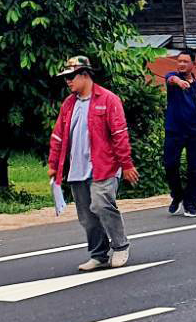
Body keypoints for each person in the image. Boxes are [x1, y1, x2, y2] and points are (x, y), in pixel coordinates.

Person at [47, 55, 139, 271]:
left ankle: (120, 246)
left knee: (101, 204)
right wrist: (53, 163)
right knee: (87, 216)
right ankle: (99, 255)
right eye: (66, 77)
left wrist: (126, 164)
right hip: (77, 168)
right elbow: (58, 136)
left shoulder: (108, 100)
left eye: (71, 77)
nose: (68, 81)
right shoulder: (69, 104)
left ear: (85, 75)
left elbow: (119, 135)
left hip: (104, 166)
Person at [162, 51, 196, 217]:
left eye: (185, 61)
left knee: (195, 168)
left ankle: (191, 204)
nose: (182, 64)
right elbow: (171, 79)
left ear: (193, 64)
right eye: (179, 61)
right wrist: (179, 82)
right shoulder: (172, 78)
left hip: (195, 131)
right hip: (174, 130)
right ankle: (177, 194)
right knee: (170, 165)